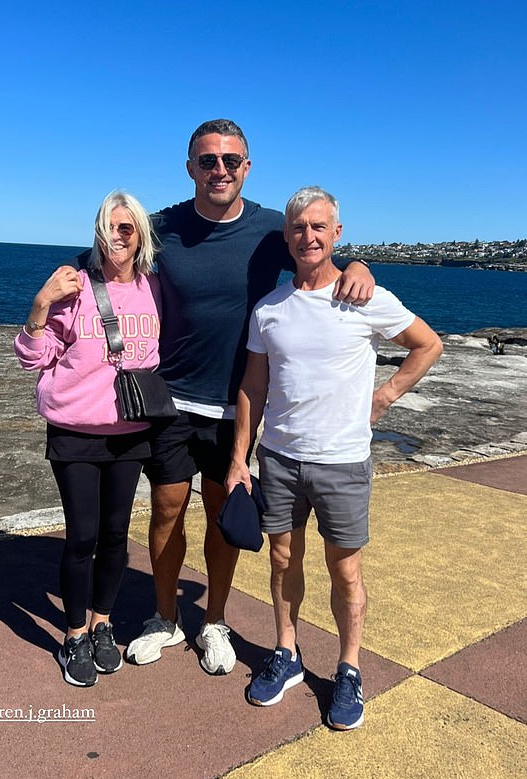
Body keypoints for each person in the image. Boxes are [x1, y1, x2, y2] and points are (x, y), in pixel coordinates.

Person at [68, 120, 375, 676]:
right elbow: (102, 259)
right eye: (208, 161)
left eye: (231, 161)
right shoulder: (161, 227)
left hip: (235, 405)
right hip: (170, 400)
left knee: (221, 514)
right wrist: (50, 297)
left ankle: (213, 620)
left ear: (247, 168)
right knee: (165, 509)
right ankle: (164, 617)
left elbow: (318, 258)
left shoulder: (266, 230)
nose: (220, 170)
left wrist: (358, 266)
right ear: (190, 168)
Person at [225, 186, 443, 728]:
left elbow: (428, 345)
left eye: (320, 227)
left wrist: (385, 395)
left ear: (337, 234)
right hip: (279, 456)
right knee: (281, 561)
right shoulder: (269, 308)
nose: (309, 236)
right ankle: (287, 652)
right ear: (287, 237)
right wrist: (238, 457)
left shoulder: (366, 297)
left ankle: (348, 668)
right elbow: (254, 383)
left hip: (342, 460)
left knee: (344, 571)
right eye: (299, 228)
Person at [14, 191, 161, 687]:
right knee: (81, 537)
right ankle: (74, 635)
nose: (116, 236)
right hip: (75, 430)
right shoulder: (74, 287)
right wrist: (41, 302)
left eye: (126, 227)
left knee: (117, 535)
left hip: (131, 431)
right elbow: (34, 358)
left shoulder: (154, 288)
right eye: (108, 226)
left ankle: (103, 623)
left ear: (140, 234)